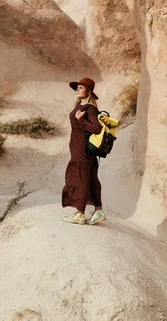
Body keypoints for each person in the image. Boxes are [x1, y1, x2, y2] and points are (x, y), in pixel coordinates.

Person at [61, 77, 106, 225]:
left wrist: (81, 120)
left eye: (81, 88)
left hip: (84, 149)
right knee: (91, 178)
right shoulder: (79, 106)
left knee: (80, 178)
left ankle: (80, 213)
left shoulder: (90, 108)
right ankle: (98, 211)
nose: (78, 90)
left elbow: (96, 128)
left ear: (89, 91)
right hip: (78, 147)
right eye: (78, 87)